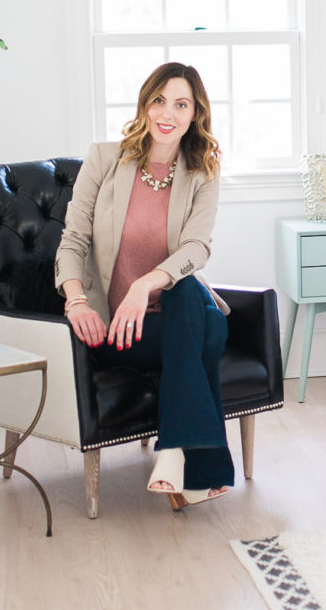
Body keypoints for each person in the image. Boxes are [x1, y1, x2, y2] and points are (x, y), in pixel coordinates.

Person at [54, 62, 234, 508]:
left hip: (178, 311)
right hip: (124, 329)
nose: (167, 113)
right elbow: (72, 241)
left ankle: (172, 451)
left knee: (189, 293)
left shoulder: (202, 173)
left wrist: (144, 286)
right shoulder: (104, 159)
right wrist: (76, 301)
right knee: (205, 334)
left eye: (181, 104)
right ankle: (197, 465)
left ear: (195, 115)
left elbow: (197, 247)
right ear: (144, 104)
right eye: (159, 100)